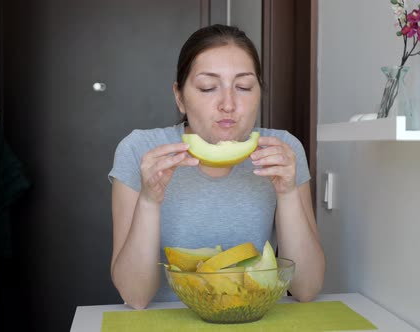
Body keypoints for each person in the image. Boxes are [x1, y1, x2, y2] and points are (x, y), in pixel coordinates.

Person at [108, 24, 325, 309]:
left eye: (244, 87)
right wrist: (149, 200)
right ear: (179, 96)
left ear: (260, 92)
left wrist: (286, 194)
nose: (228, 104)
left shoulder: (282, 152)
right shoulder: (139, 150)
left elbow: (306, 288)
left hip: (252, 319)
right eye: (208, 87)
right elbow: (135, 296)